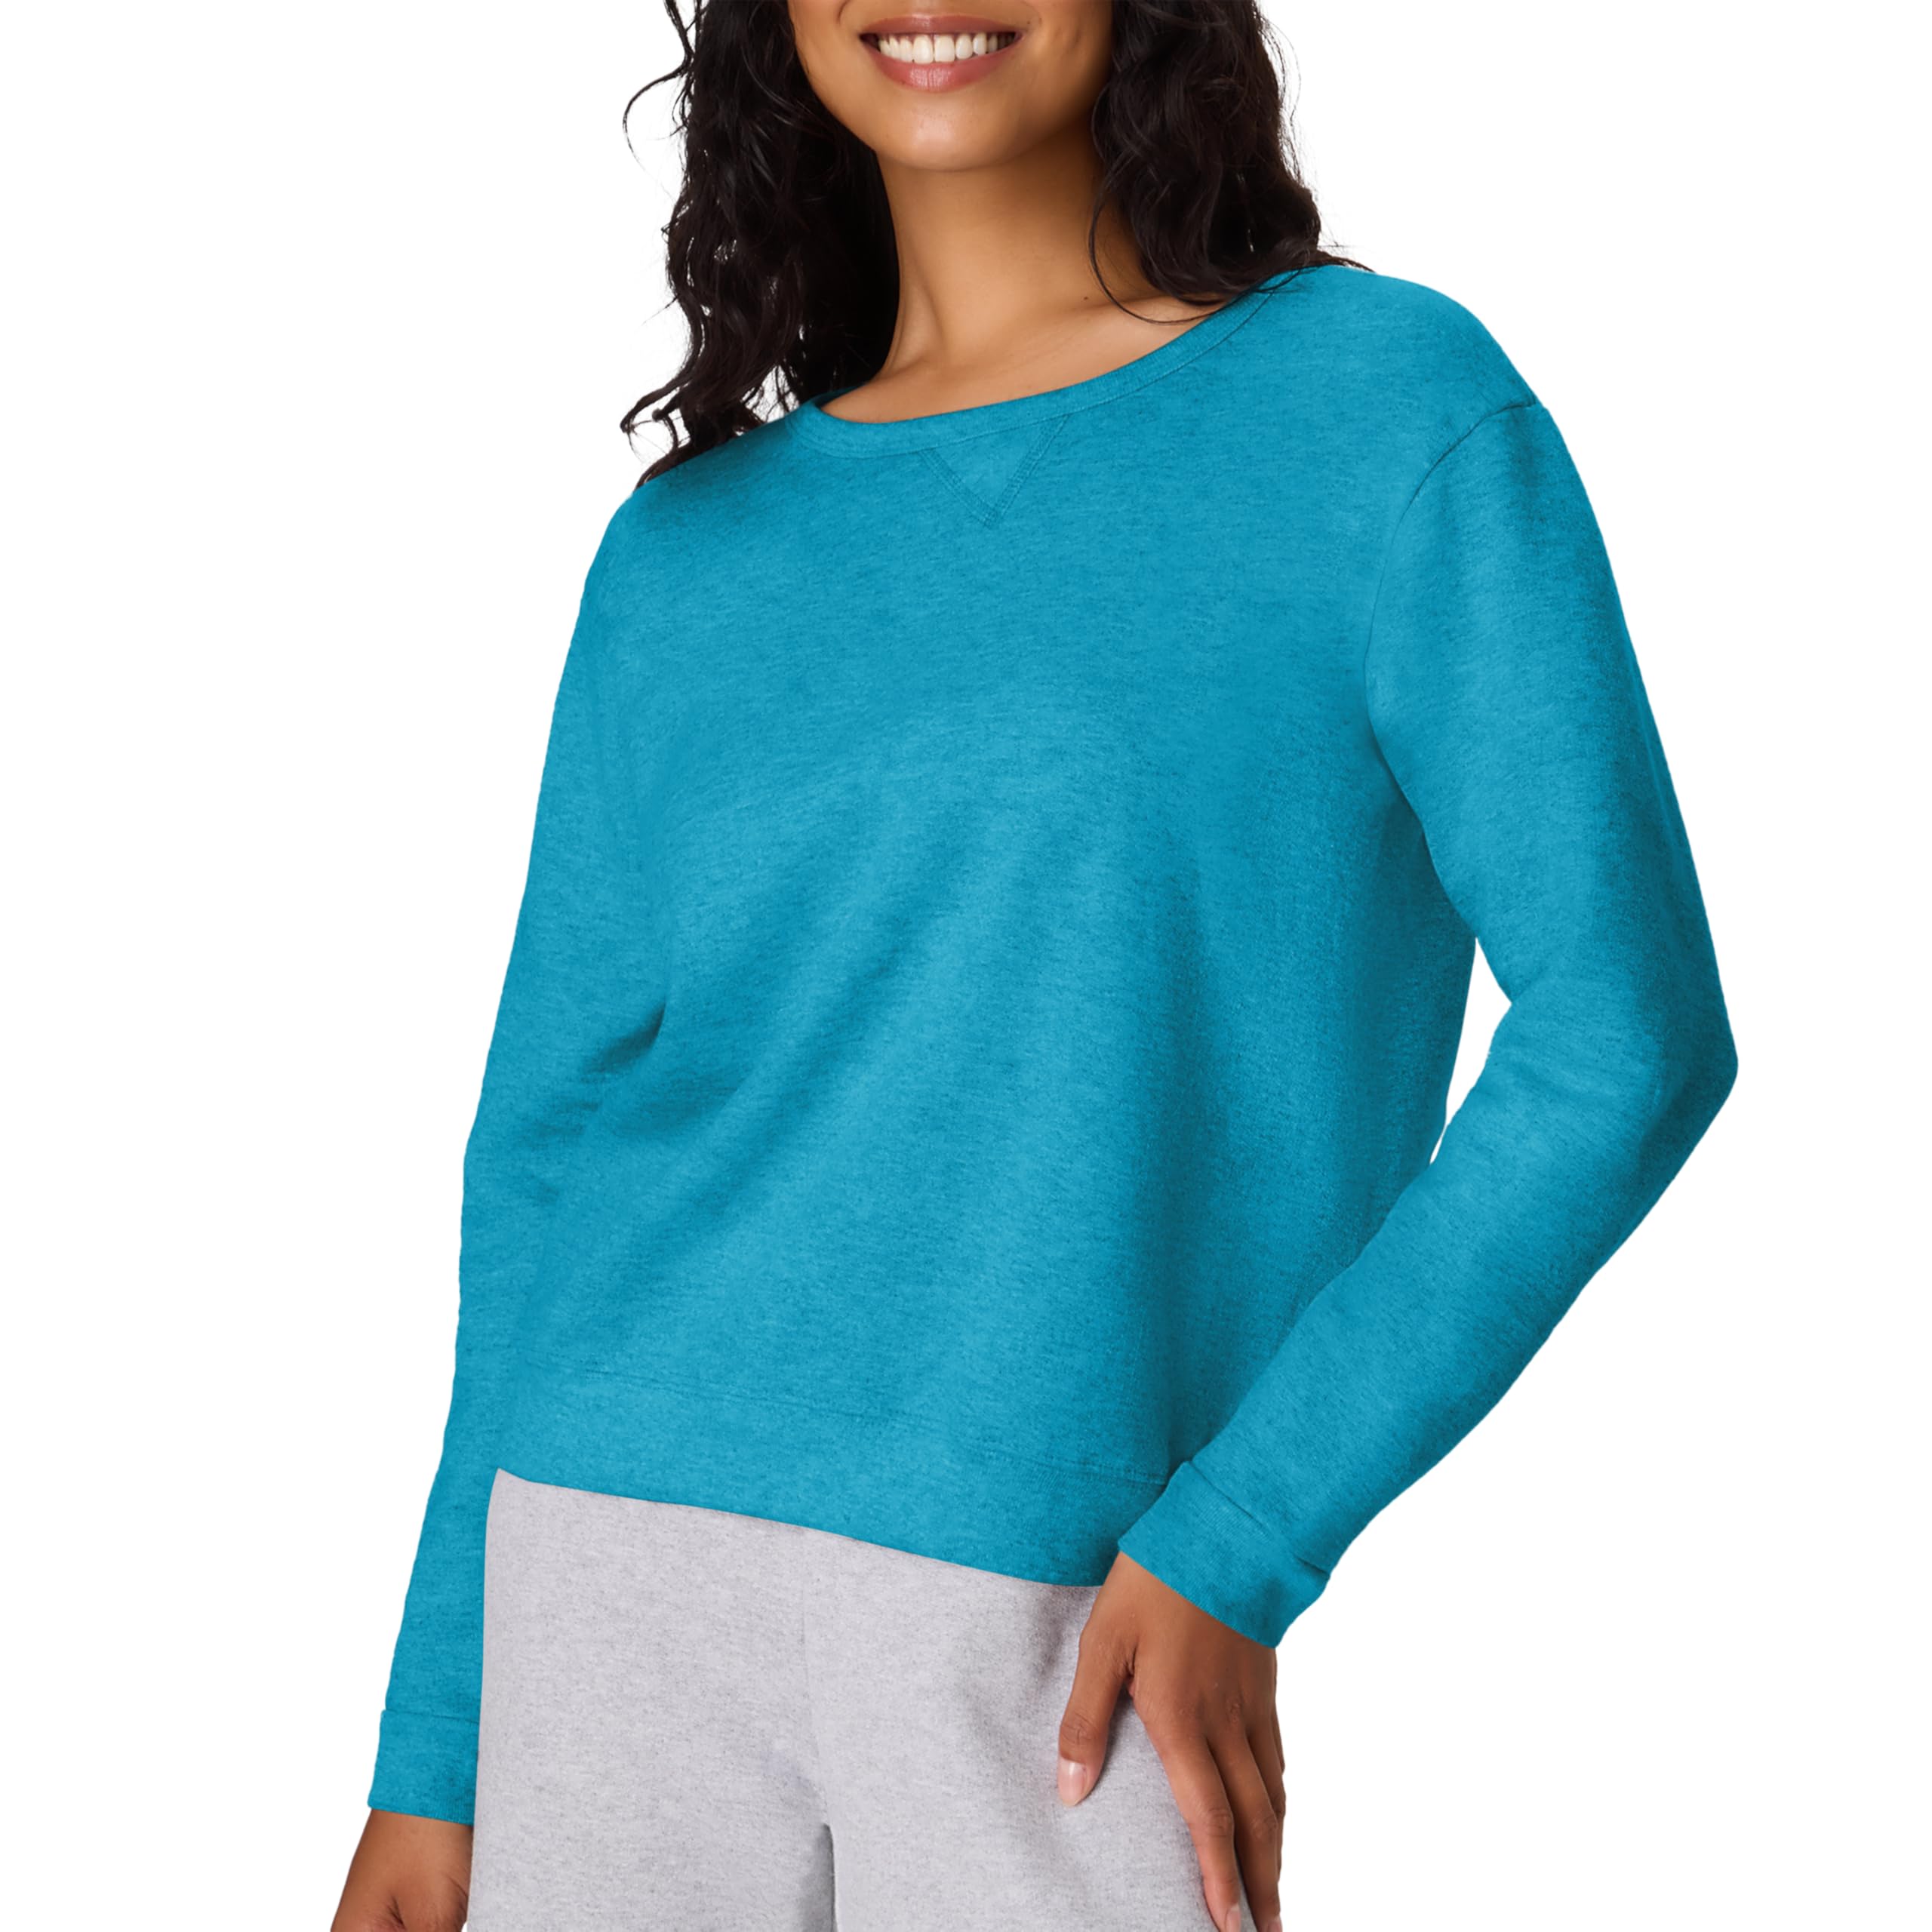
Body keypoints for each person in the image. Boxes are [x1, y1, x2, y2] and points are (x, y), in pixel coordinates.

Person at [331, 5, 1738, 1929]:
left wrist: (1243, 1531)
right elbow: (543, 1165)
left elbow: (1625, 1035)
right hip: (604, 1573)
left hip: (1062, 1617)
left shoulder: (1380, 407)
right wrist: (433, 1748)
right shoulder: (680, 555)